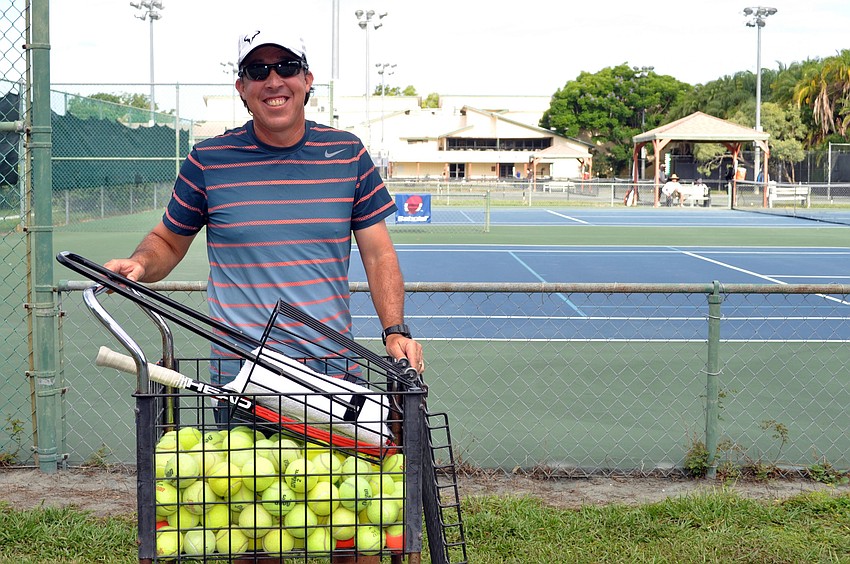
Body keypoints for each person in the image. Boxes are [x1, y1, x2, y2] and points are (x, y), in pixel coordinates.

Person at [104, 28, 421, 563]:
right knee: (253, 534)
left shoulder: (347, 153)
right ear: (242, 88)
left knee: (348, 527)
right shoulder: (209, 160)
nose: (274, 81)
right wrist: (140, 263)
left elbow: (379, 254)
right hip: (239, 374)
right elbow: (166, 242)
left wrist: (394, 329)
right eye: (258, 72)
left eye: (286, 68)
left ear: (307, 81)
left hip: (332, 373)